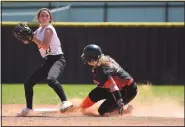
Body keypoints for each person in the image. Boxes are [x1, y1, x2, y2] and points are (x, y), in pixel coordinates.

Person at [17, 8, 73, 116]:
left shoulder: (48, 29)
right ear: (38, 18)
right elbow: (27, 40)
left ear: (50, 18)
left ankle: (65, 102)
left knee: (51, 79)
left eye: (47, 16)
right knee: (28, 83)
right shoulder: (38, 31)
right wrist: (26, 36)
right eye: (42, 15)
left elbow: (45, 45)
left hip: (58, 59)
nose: (44, 17)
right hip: (48, 61)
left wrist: (32, 38)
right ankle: (28, 108)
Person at [79, 44, 137, 116]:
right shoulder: (103, 59)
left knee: (102, 111)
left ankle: (125, 111)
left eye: (86, 56)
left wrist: (119, 100)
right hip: (119, 86)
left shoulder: (102, 71)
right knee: (94, 94)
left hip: (127, 90)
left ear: (92, 59)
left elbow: (113, 85)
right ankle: (79, 108)